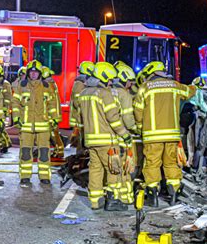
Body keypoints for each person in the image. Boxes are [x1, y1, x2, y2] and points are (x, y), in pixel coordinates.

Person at [134, 61, 197, 207]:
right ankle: (174, 193)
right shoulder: (174, 85)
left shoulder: (145, 88)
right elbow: (189, 92)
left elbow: (138, 111)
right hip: (172, 135)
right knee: (171, 164)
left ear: (151, 73)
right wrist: (196, 85)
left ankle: (153, 196)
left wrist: (139, 127)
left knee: (152, 164)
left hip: (152, 135)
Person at [73, 62, 131, 211]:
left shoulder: (84, 93)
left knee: (95, 169)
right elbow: (113, 118)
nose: (111, 83)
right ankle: (113, 200)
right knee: (114, 170)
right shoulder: (105, 93)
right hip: (107, 140)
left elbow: (80, 116)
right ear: (103, 77)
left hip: (91, 140)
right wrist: (124, 135)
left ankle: (95, 200)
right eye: (110, 79)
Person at [12, 60, 57, 186]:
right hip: (26, 126)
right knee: (25, 153)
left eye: (35, 72)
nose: (33, 75)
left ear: (40, 74)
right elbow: (15, 103)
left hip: (43, 126)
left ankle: (44, 177)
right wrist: (16, 118)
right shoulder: (22, 85)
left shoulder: (47, 87)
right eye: (31, 72)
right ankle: (25, 176)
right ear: (28, 73)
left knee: (44, 153)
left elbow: (52, 104)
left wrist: (54, 119)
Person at [111, 64, 138, 204]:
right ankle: (125, 198)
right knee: (125, 169)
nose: (130, 85)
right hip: (122, 137)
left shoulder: (108, 91)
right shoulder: (124, 94)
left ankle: (114, 196)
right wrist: (135, 128)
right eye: (130, 82)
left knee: (112, 168)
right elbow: (127, 119)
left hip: (109, 137)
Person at [69, 61, 95, 152]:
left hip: (81, 117)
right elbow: (77, 102)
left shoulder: (82, 83)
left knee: (83, 141)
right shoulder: (80, 84)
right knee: (81, 142)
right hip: (80, 117)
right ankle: (79, 159)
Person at [41, 66, 64, 158]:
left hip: (52, 114)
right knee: (54, 133)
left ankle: (59, 150)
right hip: (54, 113)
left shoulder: (47, 85)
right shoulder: (52, 83)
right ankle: (58, 150)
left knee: (53, 133)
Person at [0, 64, 13, 154]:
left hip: (1, 111)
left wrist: (5, 110)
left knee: (0, 129)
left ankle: (5, 144)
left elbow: (8, 98)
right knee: (0, 129)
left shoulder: (5, 84)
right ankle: (6, 143)